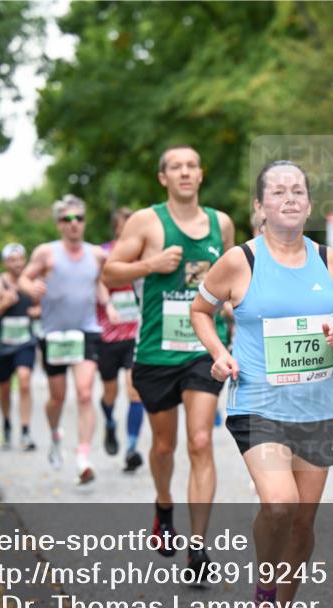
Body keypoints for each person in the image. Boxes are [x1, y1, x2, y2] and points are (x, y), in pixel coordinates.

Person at [191, 160, 333, 608]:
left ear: (308, 203)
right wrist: (219, 354)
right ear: (260, 207)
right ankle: (263, 599)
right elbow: (200, 311)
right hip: (258, 403)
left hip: (318, 405)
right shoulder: (240, 260)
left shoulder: (328, 259)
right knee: (280, 504)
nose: (290, 198)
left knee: (303, 524)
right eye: (278, 192)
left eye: (298, 191)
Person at [103, 145, 234, 576]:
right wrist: (151, 263)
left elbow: (232, 281)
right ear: (163, 178)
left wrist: (233, 307)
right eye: (175, 167)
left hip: (203, 348)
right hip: (157, 350)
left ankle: (198, 547)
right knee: (164, 445)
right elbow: (109, 272)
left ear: (201, 174)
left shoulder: (221, 224)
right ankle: (164, 505)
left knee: (200, 440)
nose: (184, 172)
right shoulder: (146, 221)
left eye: (191, 165)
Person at [20, 194, 109, 485]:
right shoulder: (46, 252)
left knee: (85, 393)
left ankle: (83, 457)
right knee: (57, 398)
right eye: (67, 219)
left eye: (78, 219)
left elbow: (102, 281)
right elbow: (23, 278)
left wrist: (107, 304)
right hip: (54, 334)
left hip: (86, 329)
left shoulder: (96, 254)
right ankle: (56, 434)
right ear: (59, 224)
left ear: (84, 222)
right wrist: (31, 286)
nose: (73, 224)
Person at [97, 207, 146, 472]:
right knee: (109, 393)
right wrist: (108, 306)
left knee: (134, 388)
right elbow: (100, 283)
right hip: (108, 335)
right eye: (123, 225)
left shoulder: (146, 254)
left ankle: (131, 447)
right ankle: (110, 423)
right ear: (116, 227)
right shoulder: (105, 252)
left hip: (135, 333)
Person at [0, 243, 40, 451]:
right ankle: (7, 423)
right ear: (5, 263)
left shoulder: (31, 283)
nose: (17, 263)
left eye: (20, 259)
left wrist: (38, 310)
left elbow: (45, 305)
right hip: (3, 345)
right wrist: (4, 303)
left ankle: (25, 430)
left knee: (25, 381)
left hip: (25, 341)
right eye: (12, 260)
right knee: (4, 387)